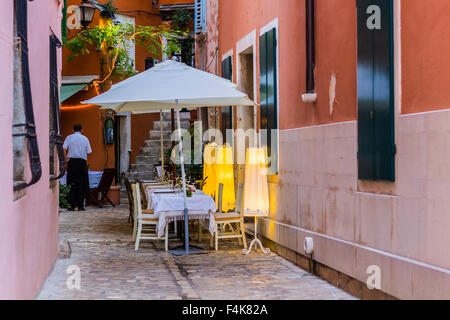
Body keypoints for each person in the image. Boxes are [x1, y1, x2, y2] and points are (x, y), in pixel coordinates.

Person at [63, 124, 92, 211]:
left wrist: (65, 159)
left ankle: (71, 205)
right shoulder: (85, 138)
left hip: (72, 162)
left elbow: (64, 148)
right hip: (82, 162)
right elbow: (89, 151)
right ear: (81, 130)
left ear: (73, 130)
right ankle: (80, 206)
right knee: (81, 184)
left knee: (71, 183)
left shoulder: (69, 137)